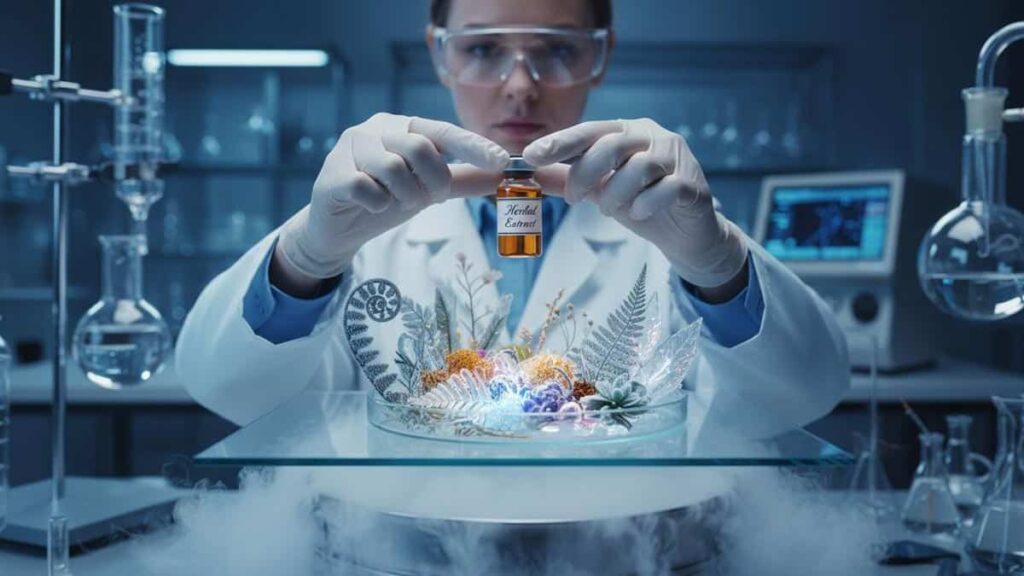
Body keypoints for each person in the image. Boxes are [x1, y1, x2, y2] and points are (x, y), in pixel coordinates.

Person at [176, 0, 849, 440]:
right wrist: (306, 260)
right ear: (440, 52)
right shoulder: (368, 228)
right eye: (483, 49)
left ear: (602, 53)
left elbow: (805, 393)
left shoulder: (669, 221)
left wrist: (718, 269)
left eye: (557, 50)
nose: (521, 84)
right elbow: (228, 389)